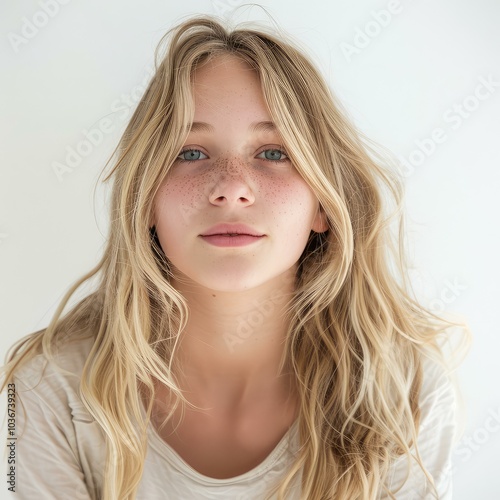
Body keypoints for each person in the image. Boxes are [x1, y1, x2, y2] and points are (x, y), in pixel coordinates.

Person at [1, 12, 471, 500]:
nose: (231, 189)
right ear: (144, 201)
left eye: (271, 153)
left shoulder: (407, 391)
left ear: (324, 206)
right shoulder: (43, 388)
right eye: (190, 153)